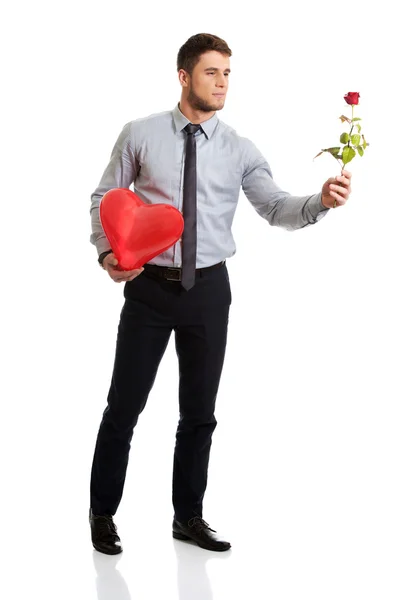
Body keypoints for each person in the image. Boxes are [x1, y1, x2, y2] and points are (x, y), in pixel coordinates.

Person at [88, 33, 352, 555]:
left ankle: (187, 516)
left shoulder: (240, 150)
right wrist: (107, 253)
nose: (223, 82)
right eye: (212, 72)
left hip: (209, 290)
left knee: (200, 413)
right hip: (148, 290)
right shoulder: (139, 134)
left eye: (228, 73)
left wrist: (320, 201)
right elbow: (106, 198)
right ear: (184, 76)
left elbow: (276, 208)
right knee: (124, 407)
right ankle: (102, 513)